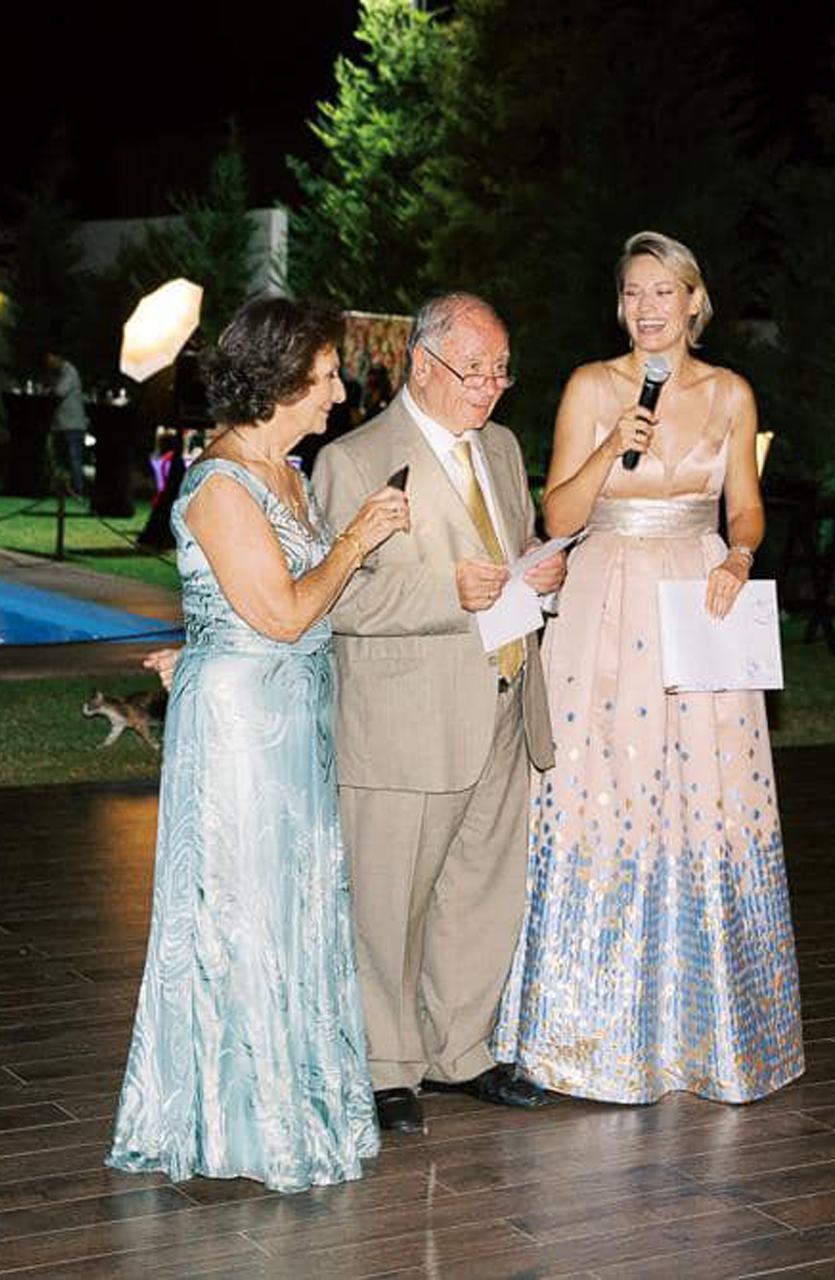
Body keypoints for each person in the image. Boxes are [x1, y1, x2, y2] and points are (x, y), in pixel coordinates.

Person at [493, 231, 804, 1105]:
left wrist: (738, 560)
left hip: (697, 599)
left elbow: (746, 509)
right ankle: (578, 1032)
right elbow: (555, 510)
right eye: (633, 292)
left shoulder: (731, 393)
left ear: (694, 301)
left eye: (664, 291)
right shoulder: (593, 387)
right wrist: (608, 446)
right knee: (606, 791)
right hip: (606, 597)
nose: (648, 307)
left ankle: (707, 1031)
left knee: (705, 795)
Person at [107, 297, 409, 1192]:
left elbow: (284, 604)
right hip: (242, 735)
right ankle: (244, 1122)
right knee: (243, 912)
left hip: (292, 716)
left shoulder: (290, 472)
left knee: (298, 905)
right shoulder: (220, 483)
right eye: (324, 378)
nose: (339, 393)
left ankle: (298, 1103)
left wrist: (202, 643)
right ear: (278, 382)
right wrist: (357, 538)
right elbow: (279, 613)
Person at [311, 292, 567, 1135]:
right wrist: (445, 594)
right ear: (422, 363)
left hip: (501, 698)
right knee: (389, 900)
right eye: (474, 371)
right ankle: (387, 1066)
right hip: (404, 719)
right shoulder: (353, 460)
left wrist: (537, 574)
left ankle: (460, 1051)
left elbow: (507, 556)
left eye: (501, 372)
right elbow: (334, 603)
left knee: (481, 888)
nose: (491, 388)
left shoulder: (499, 448)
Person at [46, 352, 88, 497]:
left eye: (50, 359)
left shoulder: (70, 372)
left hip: (73, 423)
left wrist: (50, 387)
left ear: (59, 357)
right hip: (63, 423)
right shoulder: (62, 373)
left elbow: (59, 392)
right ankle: (63, 488)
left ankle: (78, 489)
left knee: (74, 458)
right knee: (62, 458)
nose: (49, 363)